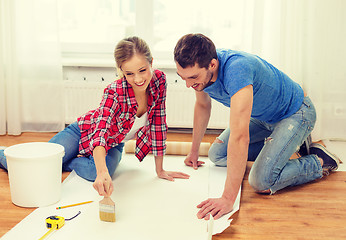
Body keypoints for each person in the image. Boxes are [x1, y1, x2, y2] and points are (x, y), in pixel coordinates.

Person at [173, 33, 340, 220]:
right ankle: (289, 145)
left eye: (192, 77)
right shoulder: (201, 76)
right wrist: (194, 151)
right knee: (217, 154)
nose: (188, 85)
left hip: (296, 113)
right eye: (183, 77)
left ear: (212, 65)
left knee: (261, 181)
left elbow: (240, 138)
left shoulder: (237, 70)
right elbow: (203, 106)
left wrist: (228, 198)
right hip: (263, 118)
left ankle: (320, 160)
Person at [0, 36, 189, 197]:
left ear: (151, 63)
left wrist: (160, 169)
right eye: (129, 74)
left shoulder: (159, 81)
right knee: (36, 165)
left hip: (114, 143)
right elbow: (100, 133)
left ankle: (63, 160)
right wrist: (103, 172)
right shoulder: (114, 91)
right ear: (121, 70)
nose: (138, 79)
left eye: (142, 70)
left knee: (93, 172)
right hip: (82, 131)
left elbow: (158, 123)